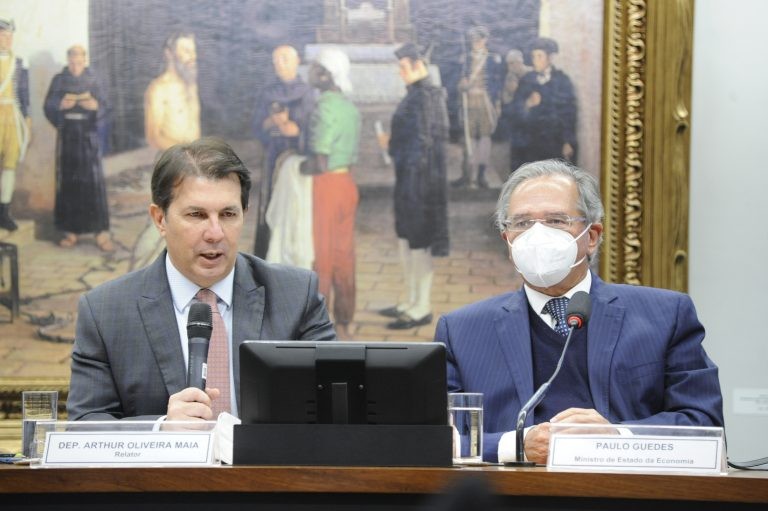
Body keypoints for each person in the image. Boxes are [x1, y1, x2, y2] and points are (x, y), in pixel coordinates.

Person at [434, 159, 724, 463]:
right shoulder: (461, 331)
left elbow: (704, 422)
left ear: (592, 236)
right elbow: (433, 438)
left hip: (623, 487)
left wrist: (617, 438)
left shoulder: (665, 316)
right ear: (507, 239)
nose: (537, 235)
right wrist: (517, 446)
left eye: (556, 220)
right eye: (521, 223)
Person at [67, 137, 336, 421]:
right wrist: (160, 430)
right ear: (160, 219)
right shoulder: (105, 312)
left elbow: (337, 410)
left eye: (228, 214)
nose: (215, 233)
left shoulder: (297, 296)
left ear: (243, 215)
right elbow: (86, 425)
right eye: (197, 215)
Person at [377, 43, 449, 330]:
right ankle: (409, 301)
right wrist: (394, 145)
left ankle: (422, 308)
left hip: (421, 183)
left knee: (419, 242)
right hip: (410, 179)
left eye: (403, 67)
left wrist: (391, 145)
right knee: (407, 239)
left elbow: (422, 145)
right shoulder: (417, 95)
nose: (400, 72)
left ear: (419, 65)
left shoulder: (426, 97)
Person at [300, 47, 360, 340]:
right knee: (343, 254)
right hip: (346, 184)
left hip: (325, 186)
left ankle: (319, 325)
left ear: (325, 75)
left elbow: (320, 161)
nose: (309, 72)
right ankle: (344, 321)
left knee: (321, 255)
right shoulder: (349, 107)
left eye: (314, 67)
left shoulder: (323, 107)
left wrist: (294, 164)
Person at [44, 45, 113, 252]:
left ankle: (100, 233)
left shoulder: (94, 79)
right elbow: (48, 105)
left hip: (88, 136)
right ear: (68, 60)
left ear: (85, 61)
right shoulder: (59, 80)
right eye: (72, 63)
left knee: (93, 183)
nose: (75, 67)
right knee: (68, 182)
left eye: (79, 62)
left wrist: (95, 106)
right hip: (68, 136)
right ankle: (70, 232)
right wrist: (60, 105)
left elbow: (107, 106)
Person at [252, 45, 317, 259]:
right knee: (270, 202)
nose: (279, 64)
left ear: (297, 61)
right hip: (273, 156)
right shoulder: (267, 92)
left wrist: (295, 130)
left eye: (284, 59)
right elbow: (256, 126)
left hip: (296, 156)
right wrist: (272, 122)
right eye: (276, 60)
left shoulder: (307, 93)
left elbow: (312, 128)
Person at [509, 37, 577, 168]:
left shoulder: (562, 81)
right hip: (530, 143)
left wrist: (567, 141)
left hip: (554, 143)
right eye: (533, 56)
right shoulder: (526, 80)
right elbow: (514, 110)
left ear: (550, 58)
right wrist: (527, 104)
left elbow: (569, 114)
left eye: (540, 56)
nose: (535, 60)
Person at [451, 25, 504, 190]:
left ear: (485, 40)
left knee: (484, 140)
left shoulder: (493, 59)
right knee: (468, 140)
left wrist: (497, 103)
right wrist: (461, 85)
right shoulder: (464, 59)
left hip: (485, 104)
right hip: (468, 102)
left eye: (479, 39)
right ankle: (466, 175)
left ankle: (481, 176)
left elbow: (498, 84)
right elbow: (456, 82)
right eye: (473, 40)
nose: (476, 43)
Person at [144, 32, 200, 151]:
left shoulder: (191, 84)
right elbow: (153, 137)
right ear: (169, 53)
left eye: (193, 51)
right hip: (172, 159)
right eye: (186, 51)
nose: (193, 56)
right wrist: (185, 155)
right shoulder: (158, 89)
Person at [0, 18, 30, 232]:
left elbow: (24, 94)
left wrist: (27, 119)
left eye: (10, 36)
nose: (7, 39)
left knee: (10, 165)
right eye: (3, 35)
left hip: (12, 116)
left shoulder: (18, 62)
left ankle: (3, 212)